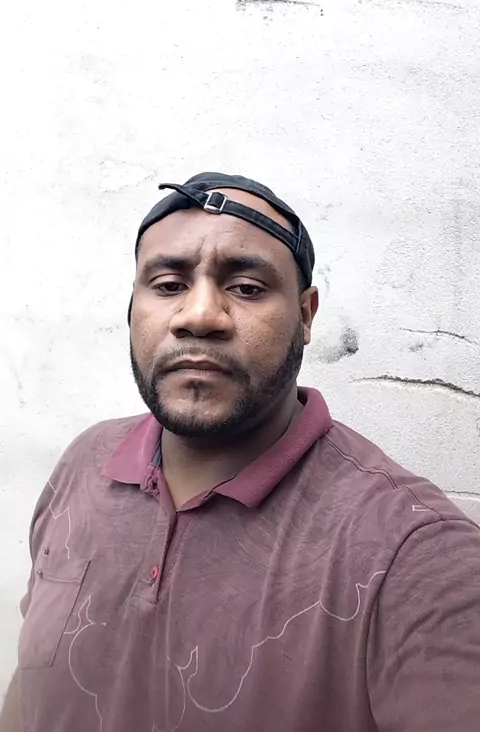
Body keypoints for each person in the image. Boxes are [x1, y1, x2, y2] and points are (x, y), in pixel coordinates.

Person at [1, 172, 479, 732]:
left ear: (305, 316)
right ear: (133, 307)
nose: (199, 315)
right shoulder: (83, 464)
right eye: (169, 284)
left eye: (247, 288)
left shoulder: (419, 557)